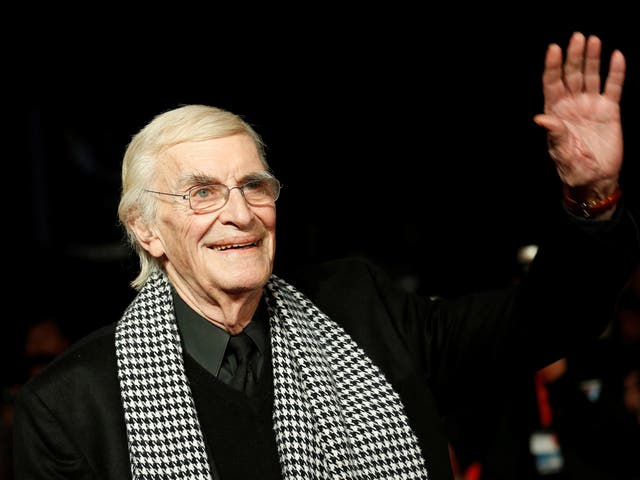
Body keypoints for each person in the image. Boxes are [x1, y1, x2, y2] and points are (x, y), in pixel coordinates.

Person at [12, 31, 639, 480]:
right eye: (202, 192)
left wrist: (591, 197)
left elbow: (546, 320)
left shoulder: (362, 310)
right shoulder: (73, 406)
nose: (241, 212)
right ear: (145, 230)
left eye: (253, 185)